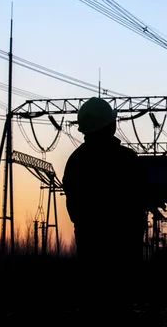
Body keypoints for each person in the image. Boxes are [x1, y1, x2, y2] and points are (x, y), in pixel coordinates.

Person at [62, 96, 146, 313]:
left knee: (94, 309)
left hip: (90, 255)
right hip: (122, 255)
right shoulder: (126, 160)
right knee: (118, 308)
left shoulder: (75, 162)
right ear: (110, 125)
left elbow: (75, 211)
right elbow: (138, 199)